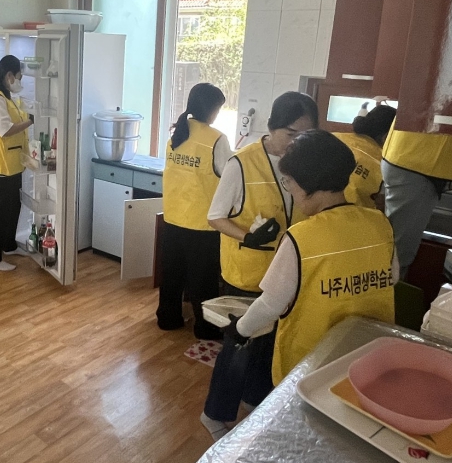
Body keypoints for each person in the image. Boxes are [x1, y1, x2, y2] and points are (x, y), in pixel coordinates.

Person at [200, 130, 397, 440]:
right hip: (364, 352)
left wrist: (240, 330)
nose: (289, 190)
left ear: (308, 184)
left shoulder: (301, 237)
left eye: (289, 182)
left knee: (306, 432)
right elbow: (392, 276)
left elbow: (271, 303)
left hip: (311, 358)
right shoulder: (378, 223)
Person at [202, 91, 318, 436]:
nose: (298, 142)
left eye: (306, 135)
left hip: (286, 275)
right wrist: (248, 237)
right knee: (240, 347)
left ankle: (255, 401)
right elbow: (215, 217)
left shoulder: (304, 163)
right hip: (247, 275)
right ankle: (215, 413)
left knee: (270, 346)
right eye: (292, 134)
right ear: (271, 126)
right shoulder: (241, 164)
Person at [156, 83, 230, 340]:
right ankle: (206, 328)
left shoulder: (176, 135)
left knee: (172, 275)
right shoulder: (216, 139)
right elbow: (230, 177)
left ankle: (167, 319)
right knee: (203, 281)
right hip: (201, 224)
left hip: (173, 218)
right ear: (211, 109)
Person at [382, 117, 452, 278]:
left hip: (418, 154)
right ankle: (385, 294)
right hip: (420, 159)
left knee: (396, 252)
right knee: (397, 257)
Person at [0, 55, 34, 271]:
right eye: (19, 77)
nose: (19, 81)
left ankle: (9, 245)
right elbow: (6, 130)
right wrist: (30, 122)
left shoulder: (6, 97)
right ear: (9, 75)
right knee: (2, 212)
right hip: (1, 166)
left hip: (12, 163)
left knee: (13, 207)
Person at [333, 104, 396, 209]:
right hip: (350, 216)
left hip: (307, 213)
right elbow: (382, 205)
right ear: (386, 137)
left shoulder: (332, 137)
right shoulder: (383, 165)